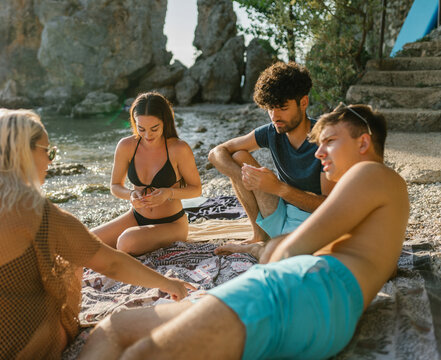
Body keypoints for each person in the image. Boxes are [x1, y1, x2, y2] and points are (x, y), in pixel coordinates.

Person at [77, 103, 410, 360]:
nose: (319, 152)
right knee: (115, 328)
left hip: (298, 289)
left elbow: (291, 250)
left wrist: (251, 277)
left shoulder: (368, 174)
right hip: (314, 300)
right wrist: (253, 253)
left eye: (330, 142)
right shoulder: (384, 195)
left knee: (145, 353)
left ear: (363, 142)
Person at [0, 109, 194, 359]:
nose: (51, 163)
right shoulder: (32, 210)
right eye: (48, 153)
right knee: (82, 275)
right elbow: (109, 262)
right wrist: (171, 284)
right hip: (14, 348)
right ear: (23, 153)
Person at [209, 61, 335, 244]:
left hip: (314, 224)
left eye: (283, 108)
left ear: (304, 102)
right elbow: (216, 153)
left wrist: (278, 188)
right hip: (280, 212)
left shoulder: (325, 140)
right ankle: (259, 235)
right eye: (270, 109)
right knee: (238, 157)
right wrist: (246, 180)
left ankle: (271, 241)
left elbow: (329, 206)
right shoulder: (271, 132)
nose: (275, 117)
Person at [91, 92, 201, 255]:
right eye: (141, 129)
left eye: (154, 128)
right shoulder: (126, 146)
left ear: (165, 122)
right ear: (134, 123)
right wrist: (131, 194)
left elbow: (196, 189)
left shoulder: (179, 149)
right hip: (136, 217)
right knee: (83, 241)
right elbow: (115, 186)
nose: (148, 135)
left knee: (126, 242)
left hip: (172, 224)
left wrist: (168, 193)